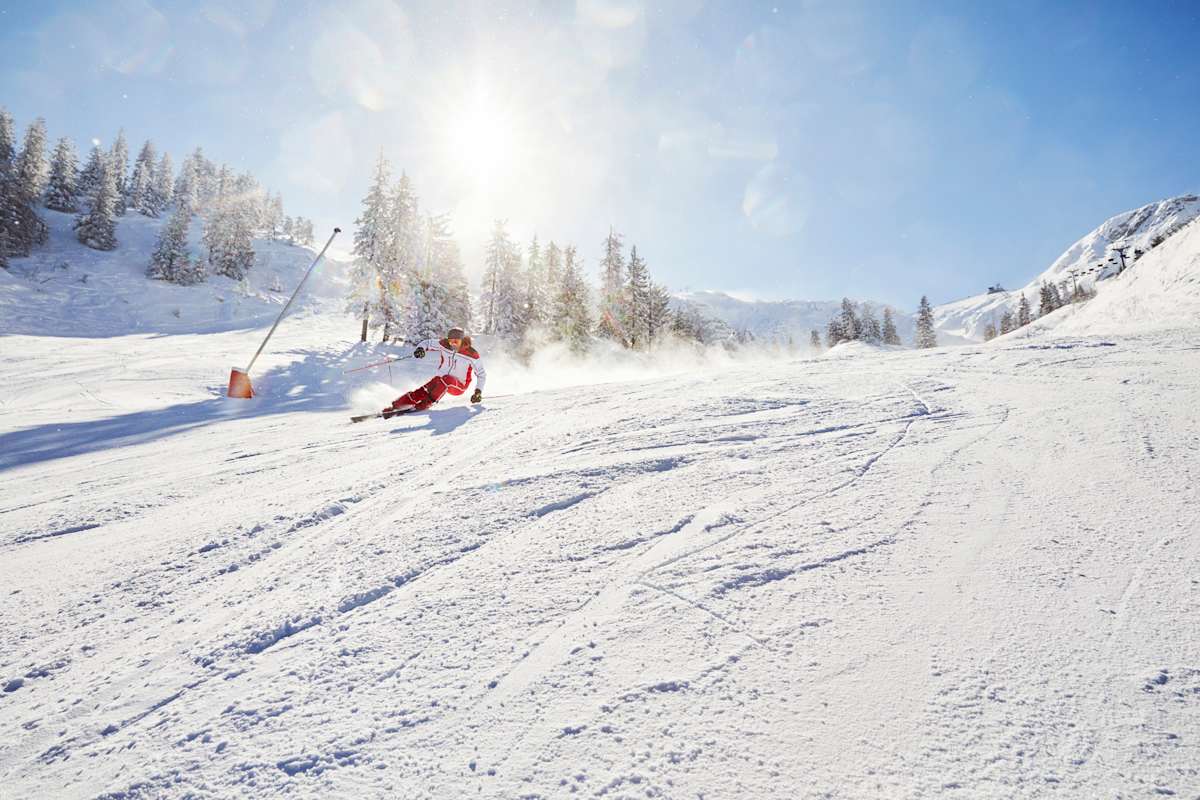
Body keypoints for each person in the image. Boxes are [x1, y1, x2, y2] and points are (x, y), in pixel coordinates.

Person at [383, 327, 485, 417]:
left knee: (447, 379)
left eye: (456, 342)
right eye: (451, 342)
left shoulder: (471, 354)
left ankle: (425, 404)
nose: (453, 345)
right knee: (426, 388)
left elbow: (481, 374)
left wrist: (478, 392)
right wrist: (420, 349)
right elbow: (427, 343)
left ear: (462, 341)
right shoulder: (444, 345)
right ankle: (398, 405)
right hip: (441, 381)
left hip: (459, 386)